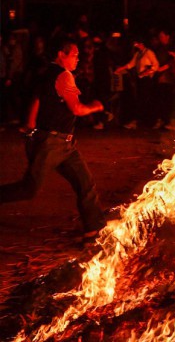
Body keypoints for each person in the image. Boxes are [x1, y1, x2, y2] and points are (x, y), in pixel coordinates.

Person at [0, 40, 106, 244]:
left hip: (64, 143)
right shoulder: (64, 76)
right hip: (53, 142)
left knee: (85, 183)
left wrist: (30, 126)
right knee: (29, 188)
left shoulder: (46, 71)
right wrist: (96, 106)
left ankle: (94, 230)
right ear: (61, 54)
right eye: (74, 54)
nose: (78, 58)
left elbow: (36, 99)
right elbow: (77, 109)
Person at [115, 39, 159, 129]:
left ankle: (144, 121)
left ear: (142, 44)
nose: (135, 45)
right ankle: (140, 121)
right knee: (140, 99)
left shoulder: (149, 52)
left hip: (147, 79)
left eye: (137, 44)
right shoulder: (138, 54)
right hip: (140, 79)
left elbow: (156, 64)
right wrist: (121, 68)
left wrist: (148, 72)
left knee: (145, 100)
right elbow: (131, 64)